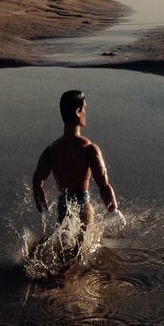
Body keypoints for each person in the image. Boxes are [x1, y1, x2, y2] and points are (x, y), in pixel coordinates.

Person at [32, 90, 119, 239]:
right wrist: (114, 211)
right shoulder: (89, 149)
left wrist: (44, 212)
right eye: (84, 108)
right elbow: (103, 184)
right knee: (86, 245)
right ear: (79, 112)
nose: (86, 112)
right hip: (83, 205)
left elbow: (36, 182)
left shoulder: (52, 150)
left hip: (63, 206)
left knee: (65, 244)